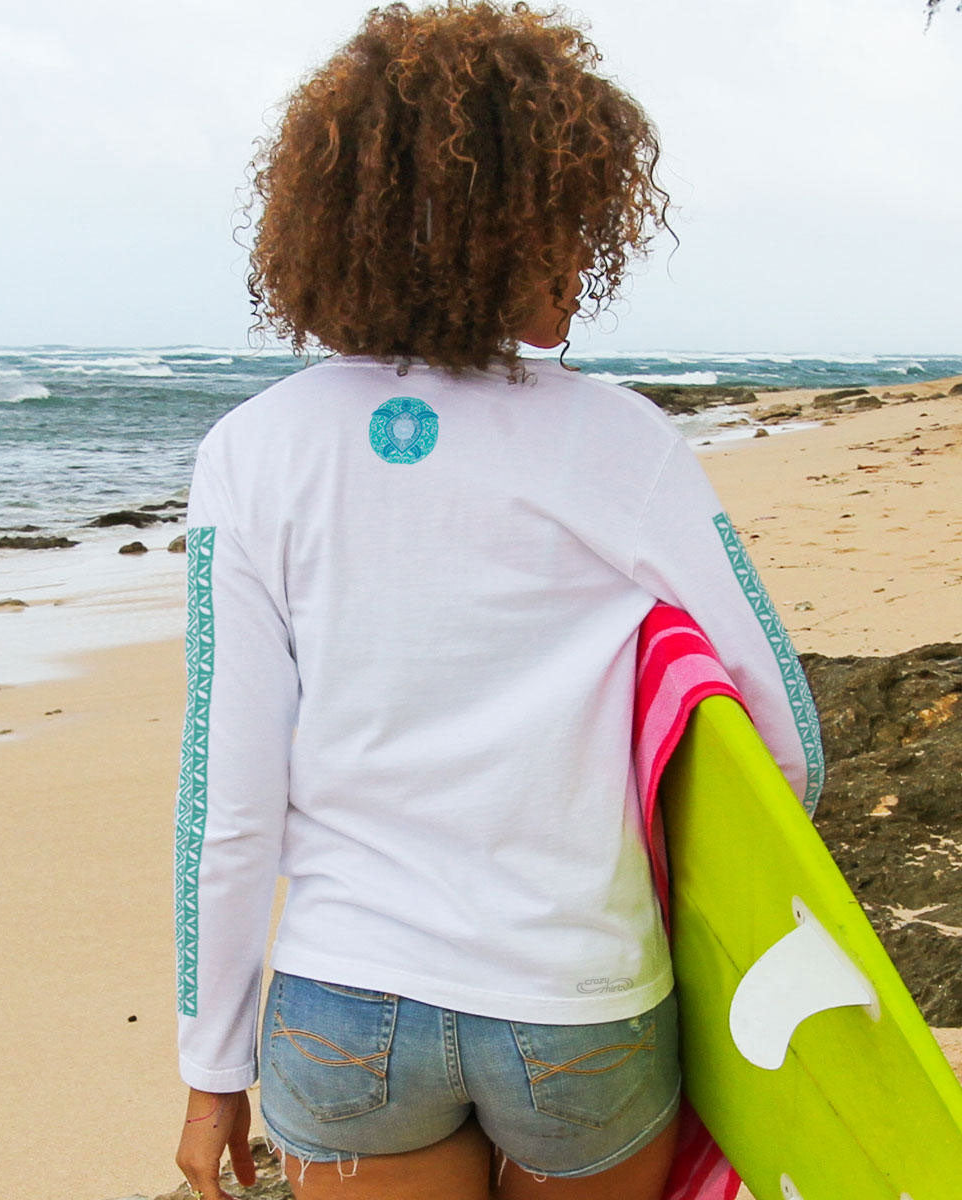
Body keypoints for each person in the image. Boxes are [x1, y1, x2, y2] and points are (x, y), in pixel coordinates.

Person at [172, 4, 823, 1199]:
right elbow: (781, 738)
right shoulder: (618, 442)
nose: (581, 260)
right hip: (580, 1004)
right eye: (561, 225)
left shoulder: (251, 451)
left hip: (341, 1005)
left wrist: (213, 1065)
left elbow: (230, 802)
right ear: (486, 234)